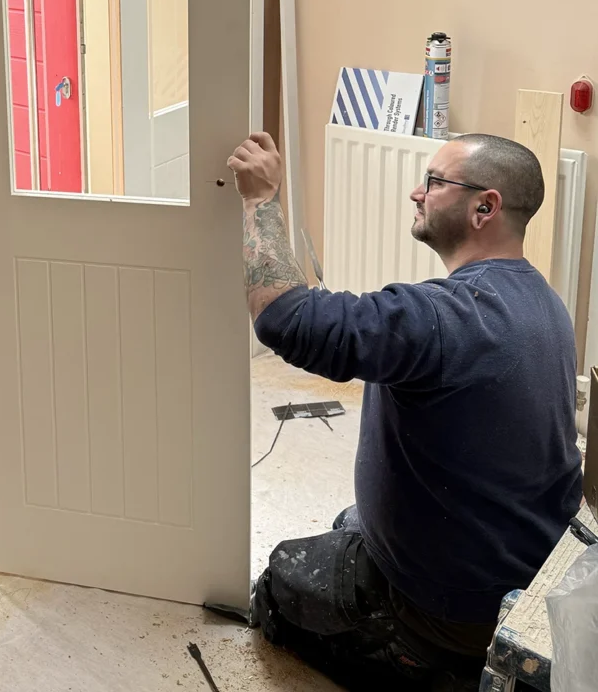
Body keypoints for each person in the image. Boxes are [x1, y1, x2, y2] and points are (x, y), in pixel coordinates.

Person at [230, 131, 583, 691]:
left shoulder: (441, 318)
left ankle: (428, 665)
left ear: (484, 207)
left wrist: (259, 200)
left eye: (435, 182)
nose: (417, 193)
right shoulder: (545, 303)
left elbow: (286, 320)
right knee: (348, 521)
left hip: (452, 608)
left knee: (278, 582)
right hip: (521, 565)